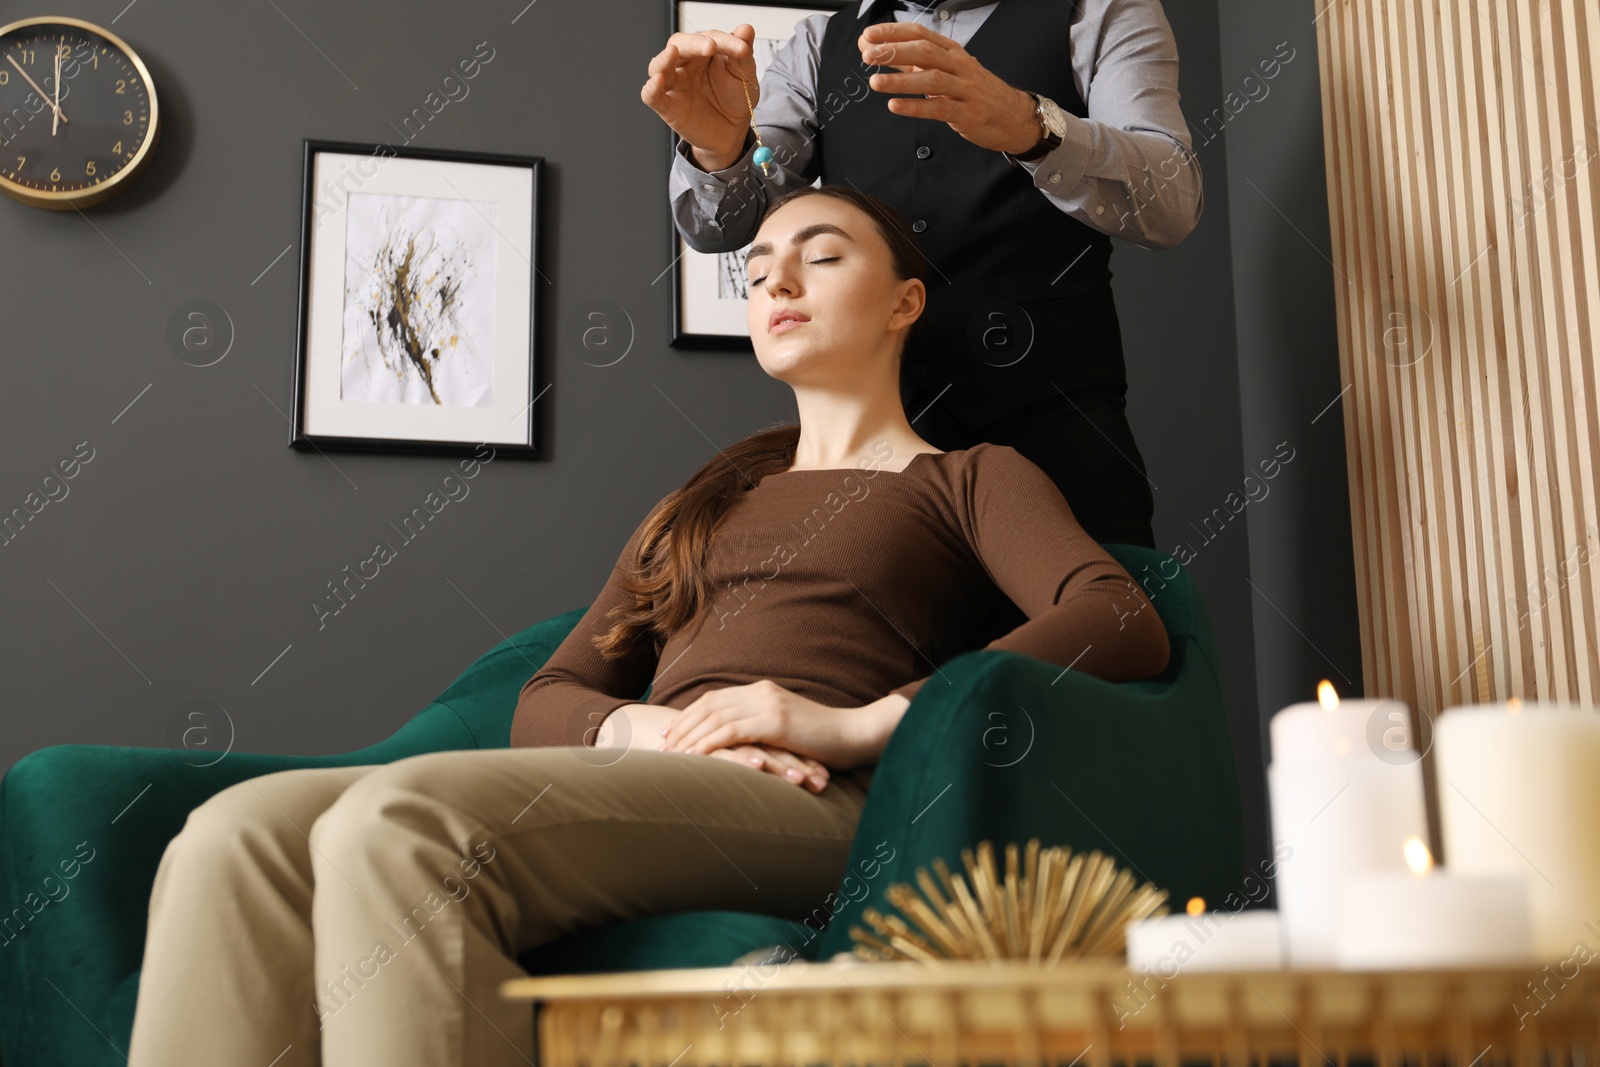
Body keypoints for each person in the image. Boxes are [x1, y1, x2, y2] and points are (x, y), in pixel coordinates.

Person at [125, 185, 1170, 1067]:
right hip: (650, 774)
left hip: (822, 804)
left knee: (394, 822)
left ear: (904, 300)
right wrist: (649, 727)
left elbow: (1116, 617)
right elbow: (551, 694)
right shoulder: (706, 498)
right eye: (755, 269)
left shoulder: (968, 476)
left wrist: (847, 725)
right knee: (232, 833)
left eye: (820, 255)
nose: (777, 283)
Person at [645, 0, 1203, 552]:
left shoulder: (1100, 12)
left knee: (1097, 630)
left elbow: (1170, 204)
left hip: (1063, 444)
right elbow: (734, 222)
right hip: (873, 460)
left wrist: (1031, 125)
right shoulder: (817, 44)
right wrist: (719, 152)